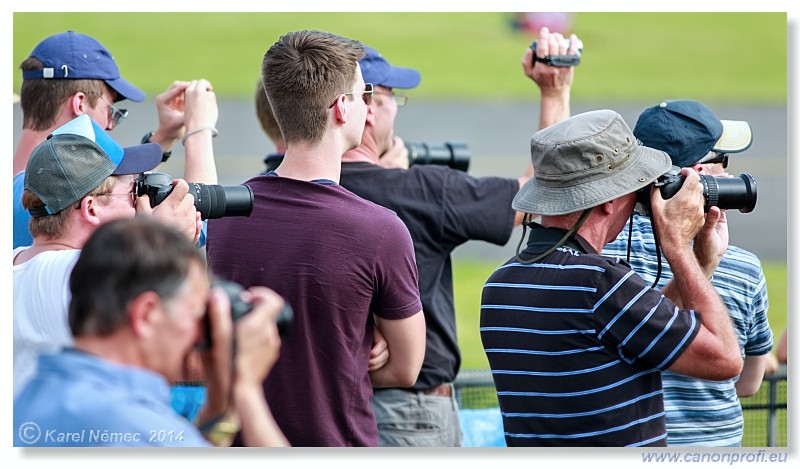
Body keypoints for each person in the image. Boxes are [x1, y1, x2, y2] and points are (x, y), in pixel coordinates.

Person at [314, 27, 577, 447]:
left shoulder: (289, 188)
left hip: (320, 405)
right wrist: (554, 91)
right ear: (368, 108)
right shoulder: (423, 191)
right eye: (390, 99)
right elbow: (540, 192)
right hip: (410, 416)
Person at [206, 30, 426, 447]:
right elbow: (406, 368)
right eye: (364, 93)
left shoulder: (224, 216)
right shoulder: (380, 230)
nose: (369, 105)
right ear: (342, 108)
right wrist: (351, 350)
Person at [479, 109, 743, 447]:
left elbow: (638, 333)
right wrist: (677, 245)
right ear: (609, 200)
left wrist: (701, 262)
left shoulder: (500, 284)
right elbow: (725, 359)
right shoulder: (600, 284)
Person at [14, 217, 289, 447]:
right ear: (146, 315)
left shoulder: (28, 401)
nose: (197, 334)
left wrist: (219, 404)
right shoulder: (138, 431)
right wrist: (246, 389)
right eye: (195, 313)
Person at [602, 100, 774, 447]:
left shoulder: (599, 254)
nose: (728, 175)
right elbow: (748, 382)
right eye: (722, 163)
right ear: (693, 177)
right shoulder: (743, 269)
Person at [13, 114, 201, 397]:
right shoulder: (90, 277)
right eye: (133, 191)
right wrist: (166, 244)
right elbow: (191, 362)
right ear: (91, 209)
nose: (141, 203)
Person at [13, 30, 219, 248]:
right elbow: (195, 223)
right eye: (111, 110)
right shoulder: (72, 205)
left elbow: (99, 176)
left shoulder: (22, 191)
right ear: (80, 104)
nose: (110, 124)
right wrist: (199, 130)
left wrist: (163, 139)